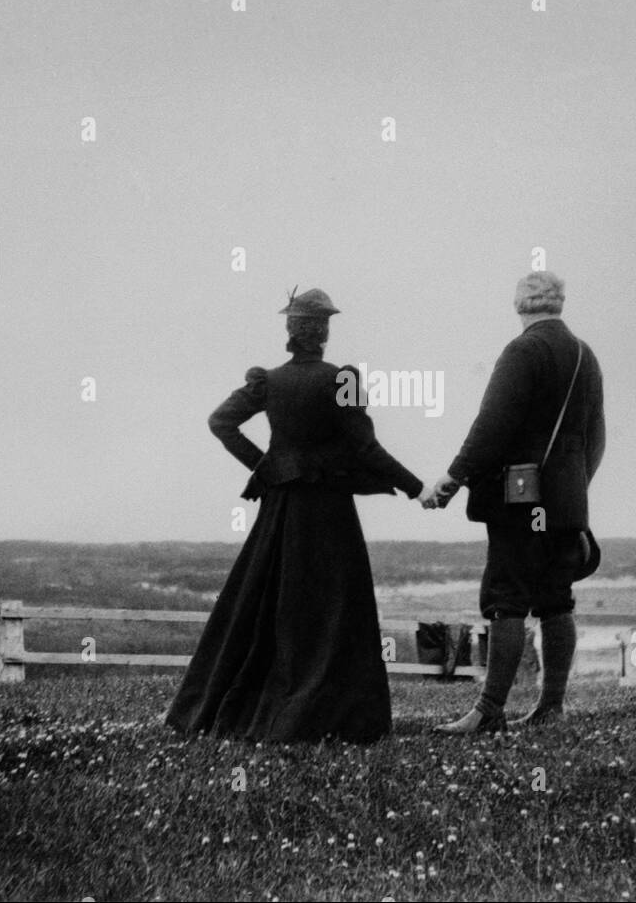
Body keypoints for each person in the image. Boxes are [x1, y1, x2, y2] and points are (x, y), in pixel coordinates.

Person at [164, 288, 427, 743]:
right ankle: (330, 715)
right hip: (328, 514)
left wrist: (267, 467)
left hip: (281, 511)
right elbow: (365, 447)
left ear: (291, 331)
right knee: (331, 608)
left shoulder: (268, 380)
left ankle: (242, 709)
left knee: (266, 606)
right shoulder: (341, 379)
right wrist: (417, 487)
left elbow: (220, 422)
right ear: (324, 330)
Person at [421, 272, 605, 733]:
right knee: (556, 601)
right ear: (559, 304)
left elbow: (492, 426)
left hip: (519, 500)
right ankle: (552, 708)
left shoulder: (522, 350)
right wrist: (574, 485)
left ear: (520, 305)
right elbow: (596, 437)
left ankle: (488, 712)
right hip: (565, 503)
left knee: (506, 599)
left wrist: (454, 475)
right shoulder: (586, 355)